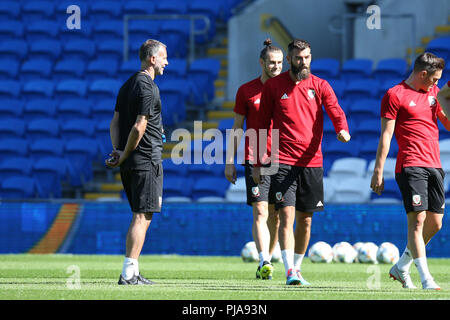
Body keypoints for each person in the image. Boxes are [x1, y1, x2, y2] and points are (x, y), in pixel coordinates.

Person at [253, 39, 350, 285]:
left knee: (305, 220)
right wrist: (258, 160)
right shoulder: (274, 87)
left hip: (312, 162)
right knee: (286, 216)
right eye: (298, 58)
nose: (303, 62)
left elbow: (335, 109)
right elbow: (261, 125)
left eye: (307, 57)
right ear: (289, 59)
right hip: (283, 161)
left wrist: (342, 129)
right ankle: (289, 272)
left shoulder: (320, 85)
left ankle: (297, 267)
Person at [370, 52, 448, 290]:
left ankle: (401, 265)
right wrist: (378, 171)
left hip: (434, 164)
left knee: (435, 224)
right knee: (417, 222)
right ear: (422, 74)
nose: (436, 83)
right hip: (410, 165)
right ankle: (426, 279)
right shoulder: (394, 95)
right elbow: (386, 135)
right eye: (434, 79)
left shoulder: (435, 94)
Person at [106, 39, 168, 285]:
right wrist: (125, 153)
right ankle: (127, 273)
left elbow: (115, 122)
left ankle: (133, 270)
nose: (167, 62)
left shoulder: (127, 84)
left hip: (131, 159)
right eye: (164, 57)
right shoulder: (147, 87)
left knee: (141, 214)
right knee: (142, 216)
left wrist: (118, 151)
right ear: (152, 59)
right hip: (145, 159)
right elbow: (139, 125)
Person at [224, 39, 282, 280]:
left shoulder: (290, 89)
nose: (276, 67)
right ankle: (265, 260)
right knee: (260, 211)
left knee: (276, 216)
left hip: (283, 157)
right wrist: (229, 161)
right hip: (254, 156)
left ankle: (267, 260)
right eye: (272, 62)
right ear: (262, 62)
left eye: (280, 63)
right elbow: (237, 127)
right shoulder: (246, 91)